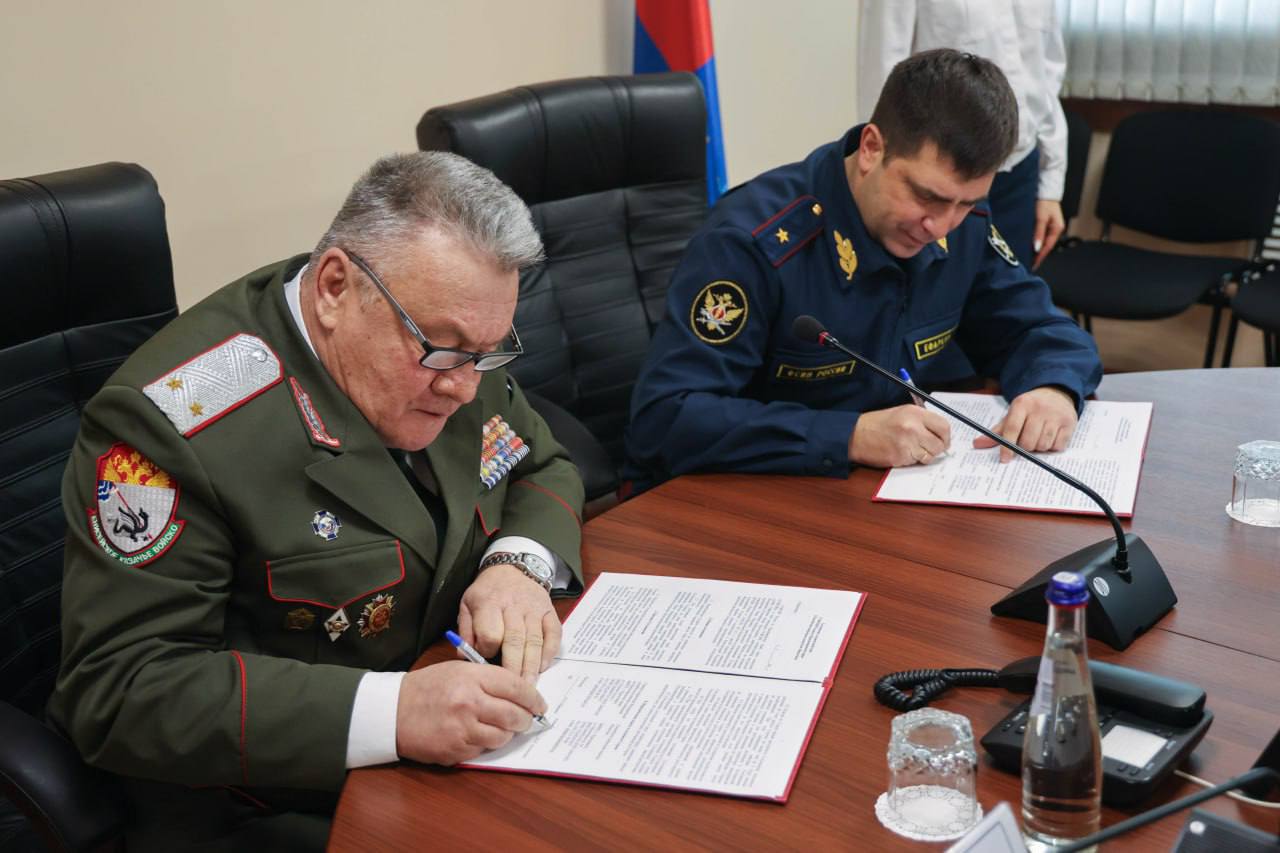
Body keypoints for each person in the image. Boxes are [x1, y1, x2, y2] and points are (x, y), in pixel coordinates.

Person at [48, 152, 585, 850]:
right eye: (444, 350)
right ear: (335, 288)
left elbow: (539, 462)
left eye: (486, 354)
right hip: (271, 801)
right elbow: (121, 689)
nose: (463, 386)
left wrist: (516, 564)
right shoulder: (168, 428)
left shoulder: (448, 341)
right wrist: (394, 712)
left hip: (454, 742)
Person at [622, 48, 1101, 496]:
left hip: (875, 496)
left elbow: (1038, 327)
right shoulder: (752, 242)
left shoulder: (963, 224)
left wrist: (1053, 388)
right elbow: (664, 420)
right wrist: (849, 435)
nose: (940, 227)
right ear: (871, 148)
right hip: (742, 502)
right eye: (926, 197)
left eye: (964, 203)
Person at [857, 0, 1069, 270]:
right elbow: (882, 73)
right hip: (936, 181)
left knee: (1009, 290)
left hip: (1019, 172)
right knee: (928, 289)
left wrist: (1050, 185)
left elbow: (1047, 78)